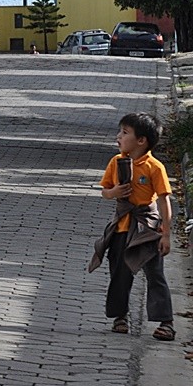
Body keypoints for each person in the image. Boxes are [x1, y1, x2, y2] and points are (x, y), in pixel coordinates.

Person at [88, 113, 175, 341]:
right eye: (120, 132)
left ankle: (166, 322)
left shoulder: (154, 167)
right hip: (122, 227)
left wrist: (165, 234)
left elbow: (164, 201)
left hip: (147, 228)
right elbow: (105, 191)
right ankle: (120, 316)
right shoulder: (116, 162)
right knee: (119, 272)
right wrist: (114, 193)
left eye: (125, 133)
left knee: (155, 274)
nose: (119, 137)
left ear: (141, 140)